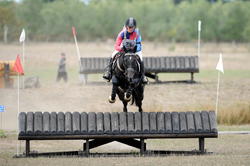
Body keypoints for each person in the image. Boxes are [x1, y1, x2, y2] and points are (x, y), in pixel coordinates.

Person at [103, 17, 147, 83]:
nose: (129, 28)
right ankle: (108, 72)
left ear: (134, 27)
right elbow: (116, 45)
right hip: (123, 50)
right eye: (128, 27)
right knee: (113, 54)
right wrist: (121, 49)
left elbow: (139, 45)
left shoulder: (137, 34)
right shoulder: (122, 33)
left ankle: (143, 76)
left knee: (140, 58)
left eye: (131, 27)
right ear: (126, 26)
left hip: (134, 51)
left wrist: (133, 50)